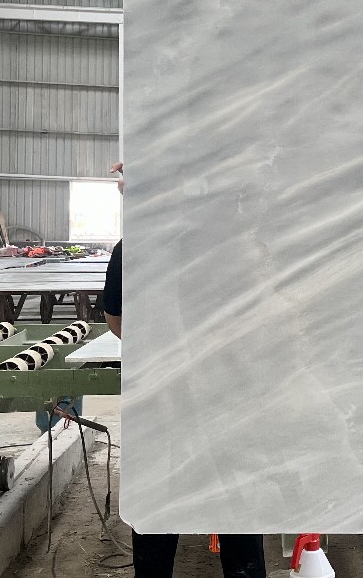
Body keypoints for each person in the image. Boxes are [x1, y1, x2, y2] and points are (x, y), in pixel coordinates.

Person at [101, 162, 266, 578]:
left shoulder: (132, 249)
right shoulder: (237, 244)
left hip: (160, 398)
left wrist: (161, 346)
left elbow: (116, 322)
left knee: (157, 511)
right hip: (229, 391)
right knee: (237, 506)